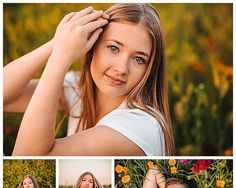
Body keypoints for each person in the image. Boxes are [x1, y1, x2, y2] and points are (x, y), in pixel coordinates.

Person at [4, 4, 174, 157]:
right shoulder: (81, 88)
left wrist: (60, 57)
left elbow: (28, 156)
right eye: (113, 48)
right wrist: (57, 43)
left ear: (150, 68)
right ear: (92, 45)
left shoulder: (141, 127)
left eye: (138, 59)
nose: (121, 68)